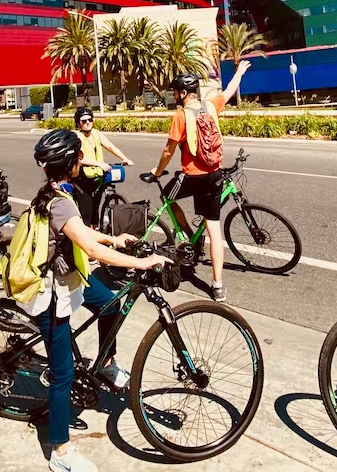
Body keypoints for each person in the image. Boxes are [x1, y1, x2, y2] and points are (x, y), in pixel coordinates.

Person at [28, 129, 168, 472]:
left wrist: (114, 238)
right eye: (77, 156)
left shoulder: (58, 191)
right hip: (50, 291)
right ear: (69, 163)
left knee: (111, 302)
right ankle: (60, 453)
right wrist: (141, 263)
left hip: (71, 277)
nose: (81, 160)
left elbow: (81, 233)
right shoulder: (58, 200)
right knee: (62, 375)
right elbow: (89, 249)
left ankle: (106, 362)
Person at [151, 61, 251, 303]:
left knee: (166, 195)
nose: (174, 95)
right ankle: (217, 286)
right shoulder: (211, 105)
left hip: (193, 176)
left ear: (184, 93)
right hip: (214, 175)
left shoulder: (181, 115)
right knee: (214, 231)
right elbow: (228, 91)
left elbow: (168, 151)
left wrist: (157, 171)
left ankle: (186, 233)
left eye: (176, 91)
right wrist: (238, 72)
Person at [72, 106, 133, 230]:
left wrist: (124, 158)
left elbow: (110, 146)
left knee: (96, 208)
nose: (88, 123)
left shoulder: (96, 134)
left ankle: (96, 233)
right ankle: (85, 240)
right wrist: (98, 163)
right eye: (84, 121)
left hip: (97, 176)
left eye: (90, 120)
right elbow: (80, 159)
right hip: (82, 179)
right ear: (79, 124)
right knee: (87, 211)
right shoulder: (77, 137)